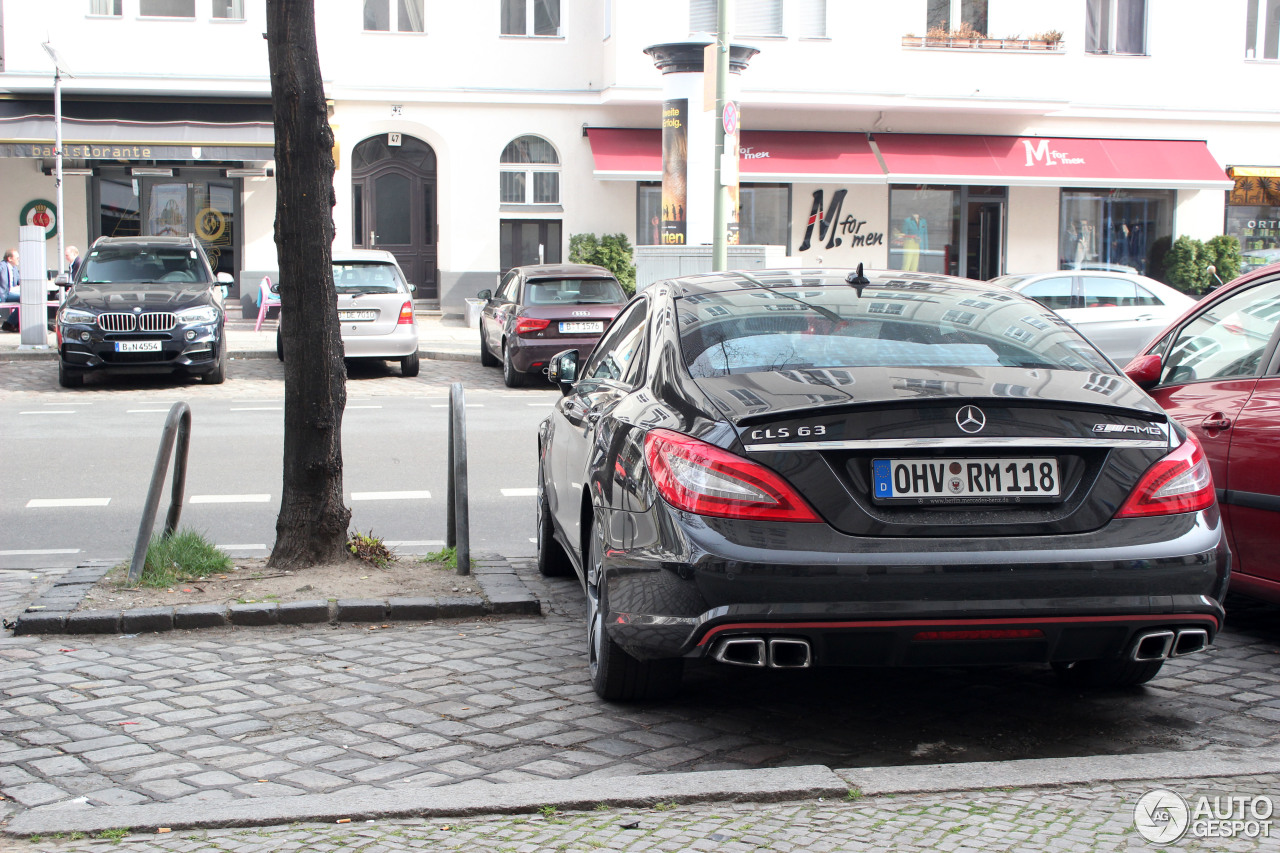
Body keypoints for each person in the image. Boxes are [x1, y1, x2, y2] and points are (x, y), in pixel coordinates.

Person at [0, 248, 19, 332]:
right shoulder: (2, 266)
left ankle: (11, 323)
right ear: (10, 258)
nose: (18, 260)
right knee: (24, 298)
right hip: (4, 293)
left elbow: (19, 281)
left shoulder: (14, 268)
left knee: (27, 298)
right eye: (17, 258)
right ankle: (10, 323)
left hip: (12, 292)